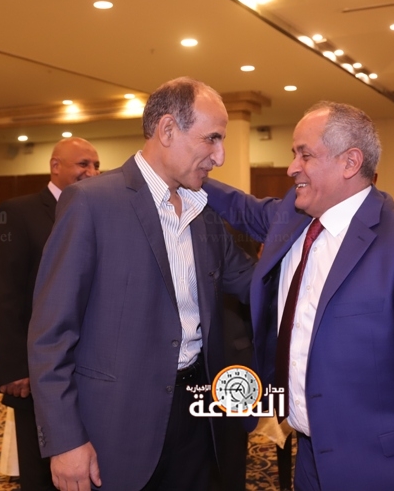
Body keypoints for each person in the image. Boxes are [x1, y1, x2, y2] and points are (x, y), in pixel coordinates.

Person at [204, 101, 394, 491]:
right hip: (309, 459)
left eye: (305, 155)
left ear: (350, 162)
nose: (292, 167)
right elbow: (240, 208)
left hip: (378, 469)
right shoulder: (293, 216)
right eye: (293, 154)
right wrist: (179, 170)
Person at [28, 77, 254, 491]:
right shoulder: (92, 203)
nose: (219, 156)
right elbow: (51, 334)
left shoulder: (204, 211)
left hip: (199, 416)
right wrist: (65, 439)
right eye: (212, 138)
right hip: (117, 424)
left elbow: (253, 284)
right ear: (167, 130)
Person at [0, 137, 100, 490]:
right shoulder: (18, 212)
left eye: (96, 165)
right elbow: (3, 294)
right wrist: (16, 366)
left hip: (88, 364)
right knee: (40, 469)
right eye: (83, 164)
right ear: (55, 166)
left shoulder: (98, 210)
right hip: (36, 369)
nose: (92, 172)